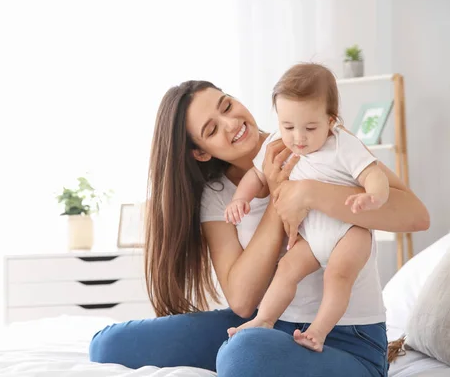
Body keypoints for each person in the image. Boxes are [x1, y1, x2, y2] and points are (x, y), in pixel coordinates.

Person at [88, 79, 429, 377]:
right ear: (200, 153)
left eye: (228, 105)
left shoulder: (314, 136)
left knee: (241, 354)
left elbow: (415, 216)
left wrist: (307, 192)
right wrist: (278, 194)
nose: (231, 122)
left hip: (346, 335)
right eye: (211, 129)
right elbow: (242, 299)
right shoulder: (217, 194)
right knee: (108, 346)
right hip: (265, 320)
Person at [224, 63, 390, 353]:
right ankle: (264, 320)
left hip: (348, 232)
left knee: (337, 276)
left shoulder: (343, 144)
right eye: (288, 126)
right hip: (311, 236)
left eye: (310, 128)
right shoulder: (277, 144)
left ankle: (318, 331)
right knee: (286, 268)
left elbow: (373, 173)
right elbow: (257, 175)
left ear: (331, 120)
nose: (298, 138)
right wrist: (241, 199)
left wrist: (373, 196)